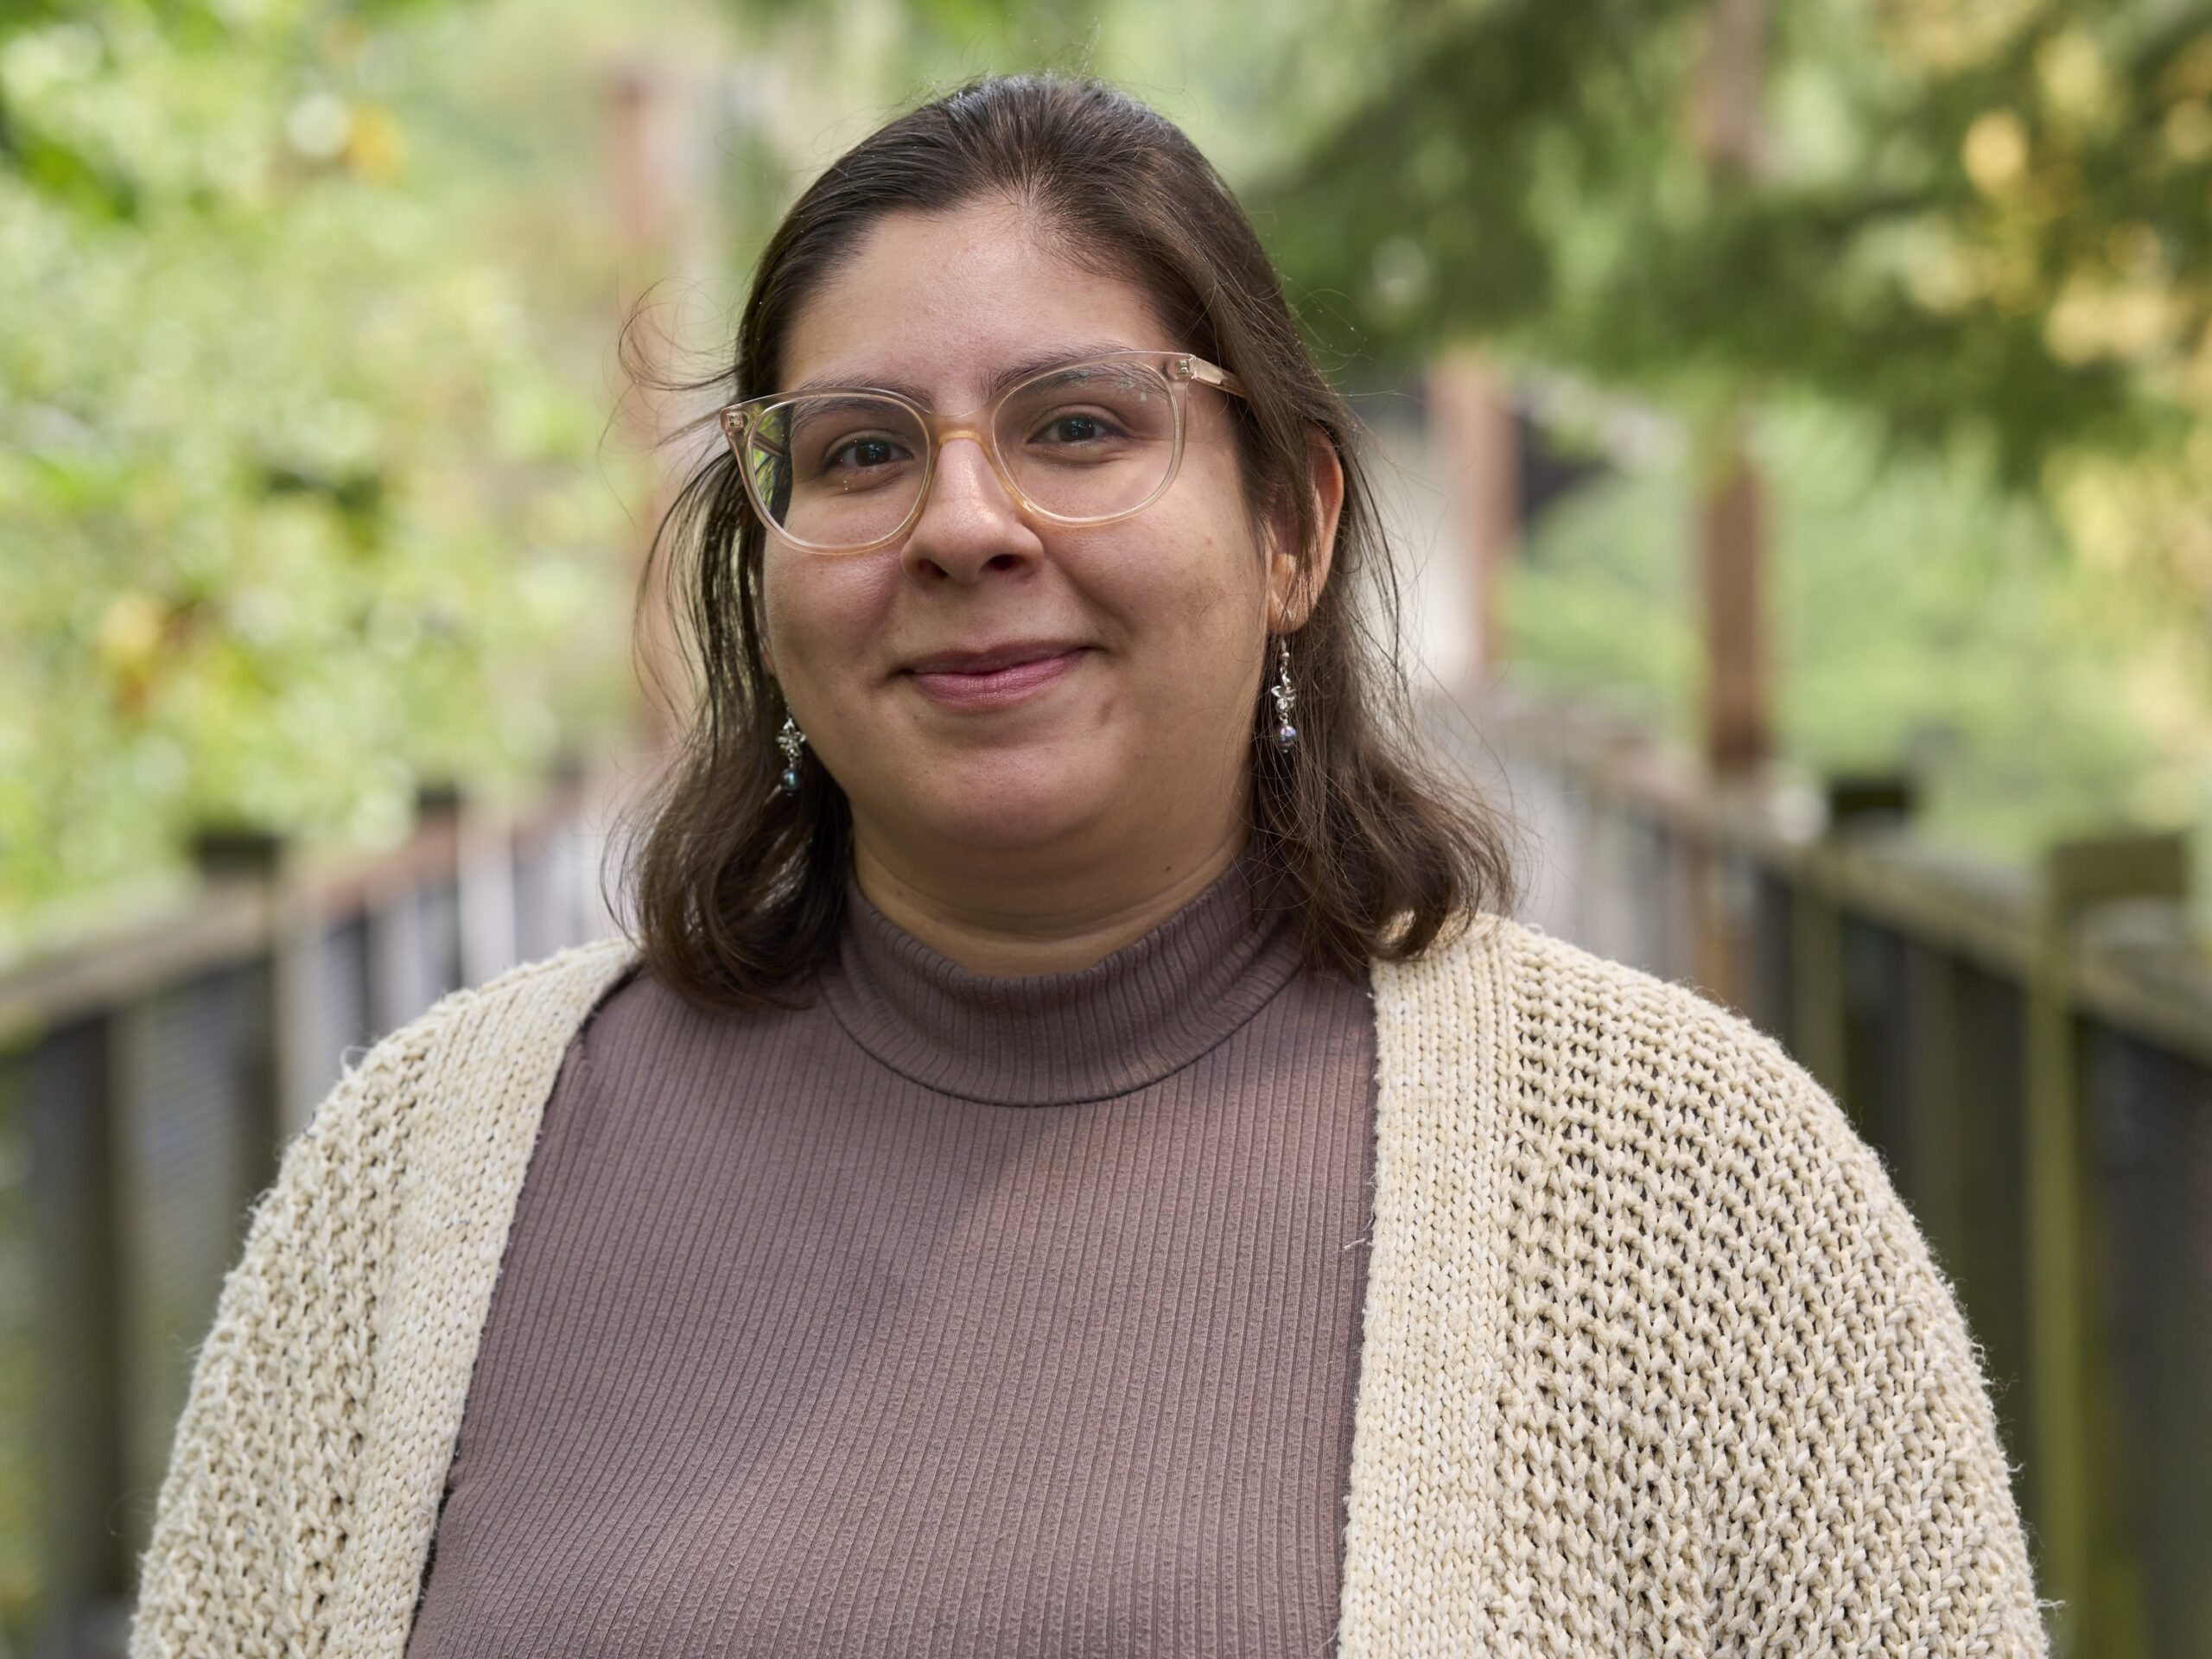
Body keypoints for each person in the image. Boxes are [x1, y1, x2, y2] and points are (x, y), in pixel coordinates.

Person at [127, 73, 2049, 1658]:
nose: (965, 522)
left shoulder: (1691, 1200)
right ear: (767, 564)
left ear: (1291, 529)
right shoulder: (427, 1169)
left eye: (1077, 426)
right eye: (861, 453)